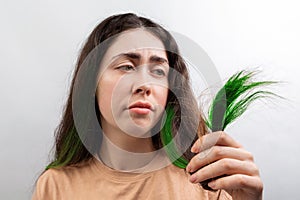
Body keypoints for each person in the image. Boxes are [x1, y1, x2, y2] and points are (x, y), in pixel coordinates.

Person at [32, 13, 263, 200]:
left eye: (158, 71)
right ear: (92, 82)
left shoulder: (207, 181)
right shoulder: (55, 186)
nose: (144, 85)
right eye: (126, 67)